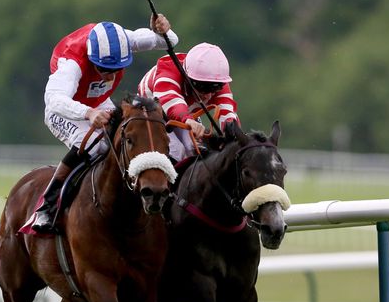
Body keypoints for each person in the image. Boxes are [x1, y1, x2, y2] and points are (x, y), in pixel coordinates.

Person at [29, 14, 179, 234]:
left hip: (97, 104)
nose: (110, 78)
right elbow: (53, 99)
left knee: (127, 134)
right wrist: (88, 113)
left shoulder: (125, 41)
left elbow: (170, 42)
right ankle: (48, 205)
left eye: (117, 70)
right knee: (92, 144)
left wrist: (162, 30)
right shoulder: (72, 63)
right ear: (91, 58)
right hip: (64, 109)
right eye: (104, 70)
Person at [138, 42, 239, 163]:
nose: (208, 94)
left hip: (186, 109)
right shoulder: (169, 69)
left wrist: (237, 138)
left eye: (215, 88)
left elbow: (228, 114)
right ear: (187, 77)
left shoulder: (217, 80)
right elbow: (170, 99)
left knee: (194, 149)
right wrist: (188, 119)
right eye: (203, 86)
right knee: (178, 150)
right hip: (154, 106)